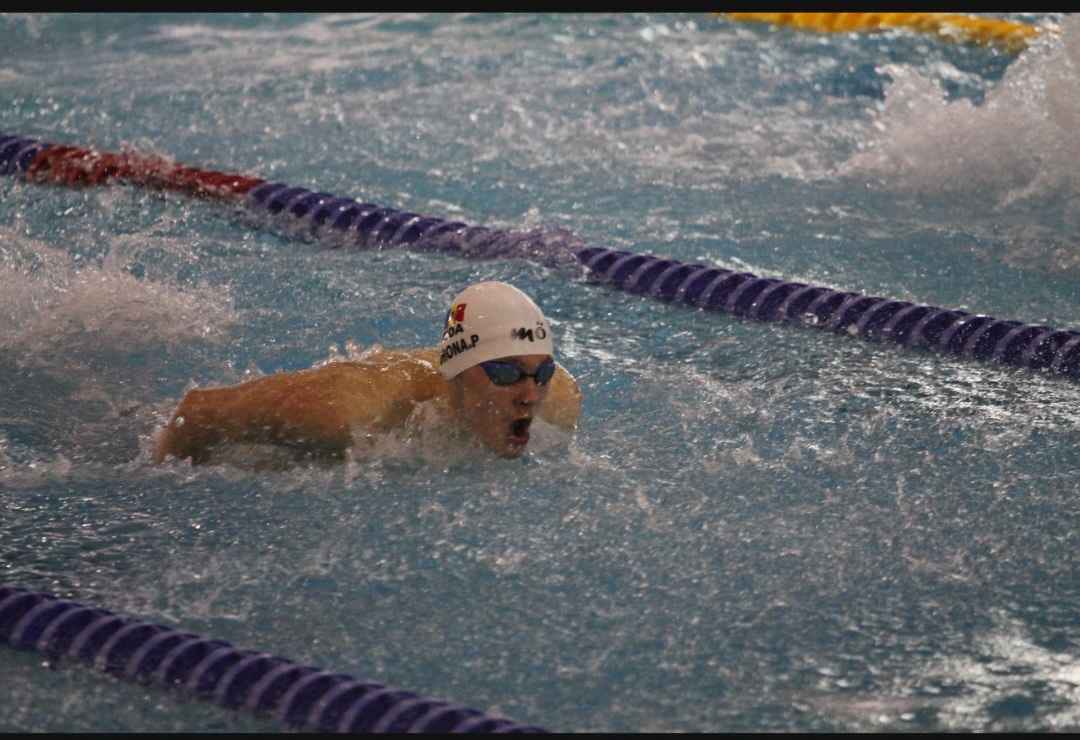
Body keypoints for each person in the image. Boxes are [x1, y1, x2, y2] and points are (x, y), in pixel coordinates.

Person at [153, 281, 582, 466]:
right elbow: (199, 411)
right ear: (457, 374)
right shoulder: (345, 413)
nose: (530, 394)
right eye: (506, 374)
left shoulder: (559, 401)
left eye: (540, 372)